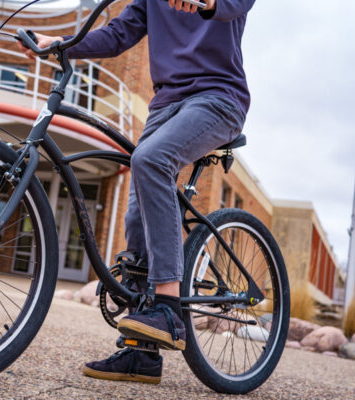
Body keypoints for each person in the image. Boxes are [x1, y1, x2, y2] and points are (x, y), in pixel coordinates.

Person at [19, 0, 255, 384]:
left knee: (150, 159)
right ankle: (141, 354)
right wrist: (60, 43)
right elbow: (118, 34)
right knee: (135, 213)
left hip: (218, 98)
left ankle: (166, 307)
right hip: (165, 105)